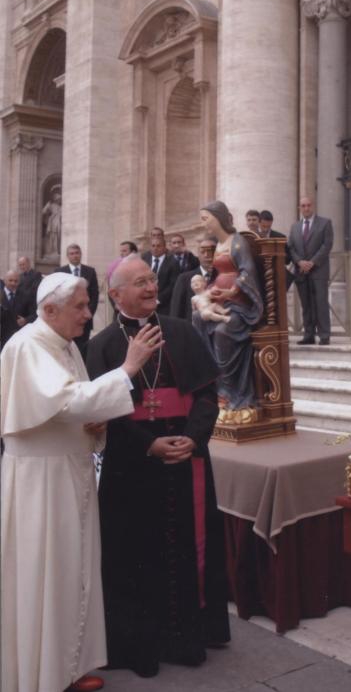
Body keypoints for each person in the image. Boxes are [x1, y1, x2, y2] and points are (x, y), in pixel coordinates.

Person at [1, 271, 162, 692]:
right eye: (81, 307)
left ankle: (64, 667)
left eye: (89, 305)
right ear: (49, 310)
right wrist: (127, 369)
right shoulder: (29, 345)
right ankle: (40, 676)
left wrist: (95, 424)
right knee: (47, 574)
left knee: (71, 571)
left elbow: (76, 407)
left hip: (68, 472)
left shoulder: (64, 344)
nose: (89, 315)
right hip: (42, 482)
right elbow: (67, 400)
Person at [86, 255, 230, 679]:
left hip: (185, 456)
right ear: (116, 295)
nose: (151, 287)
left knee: (186, 545)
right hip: (132, 465)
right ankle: (139, 645)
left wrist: (194, 437)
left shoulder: (183, 331)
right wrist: (149, 445)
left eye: (152, 280)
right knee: (135, 554)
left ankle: (187, 638)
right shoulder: (101, 345)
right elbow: (102, 411)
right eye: (139, 282)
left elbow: (207, 393)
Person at [195, 201, 263, 411]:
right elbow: (217, 274)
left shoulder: (238, 242)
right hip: (220, 301)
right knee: (198, 318)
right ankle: (215, 382)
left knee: (224, 331)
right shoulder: (218, 245)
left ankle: (232, 391)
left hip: (240, 305)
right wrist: (210, 291)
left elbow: (247, 272)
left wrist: (231, 291)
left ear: (218, 218)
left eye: (206, 219)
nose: (203, 223)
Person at [288, 197, 333, 345]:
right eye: (303, 206)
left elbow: (326, 245)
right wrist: (299, 262)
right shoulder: (295, 227)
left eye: (308, 205)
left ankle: (324, 335)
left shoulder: (325, 223)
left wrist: (312, 262)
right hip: (301, 271)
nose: (306, 208)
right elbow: (291, 248)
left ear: (313, 206)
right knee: (306, 305)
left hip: (319, 270)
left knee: (321, 303)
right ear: (299, 208)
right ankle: (309, 335)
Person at [57, 244, 99, 358]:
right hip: (66, 319)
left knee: (83, 350)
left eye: (77, 253)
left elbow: (94, 296)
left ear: (80, 254)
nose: (75, 256)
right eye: (72, 253)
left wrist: (87, 313)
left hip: (85, 321)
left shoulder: (90, 271)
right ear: (67, 256)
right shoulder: (60, 272)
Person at [170, 238, 216, 321]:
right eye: (203, 252)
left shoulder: (222, 277)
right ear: (198, 254)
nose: (206, 255)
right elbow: (176, 311)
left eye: (210, 251)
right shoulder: (184, 279)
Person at [142, 236, 180, 314]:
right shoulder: (144, 259)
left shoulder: (173, 262)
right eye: (153, 246)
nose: (155, 248)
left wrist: (158, 300)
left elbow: (173, 285)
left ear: (164, 247)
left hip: (164, 305)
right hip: (145, 303)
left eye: (158, 246)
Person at [259, 209, 294, 288]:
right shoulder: (254, 237)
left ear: (271, 223)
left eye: (268, 227)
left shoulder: (280, 237)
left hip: (277, 277)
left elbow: (288, 259)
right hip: (259, 277)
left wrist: (277, 255)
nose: (265, 229)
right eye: (263, 226)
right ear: (259, 223)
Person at [1, 270, 33, 349]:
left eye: (16, 281)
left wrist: (26, 320)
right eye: (10, 280)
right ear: (4, 280)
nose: (13, 283)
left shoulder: (26, 295)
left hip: (19, 338)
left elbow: (35, 314)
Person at [42, 189, 62, 257]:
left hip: (59, 223)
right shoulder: (51, 205)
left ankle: (56, 251)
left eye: (60, 199)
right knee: (52, 236)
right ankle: (50, 251)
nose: (59, 200)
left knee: (58, 237)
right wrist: (48, 205)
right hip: (52, 222)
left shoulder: (60, 207)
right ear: (56, 199)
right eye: (58, 199)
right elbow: (43, 211)